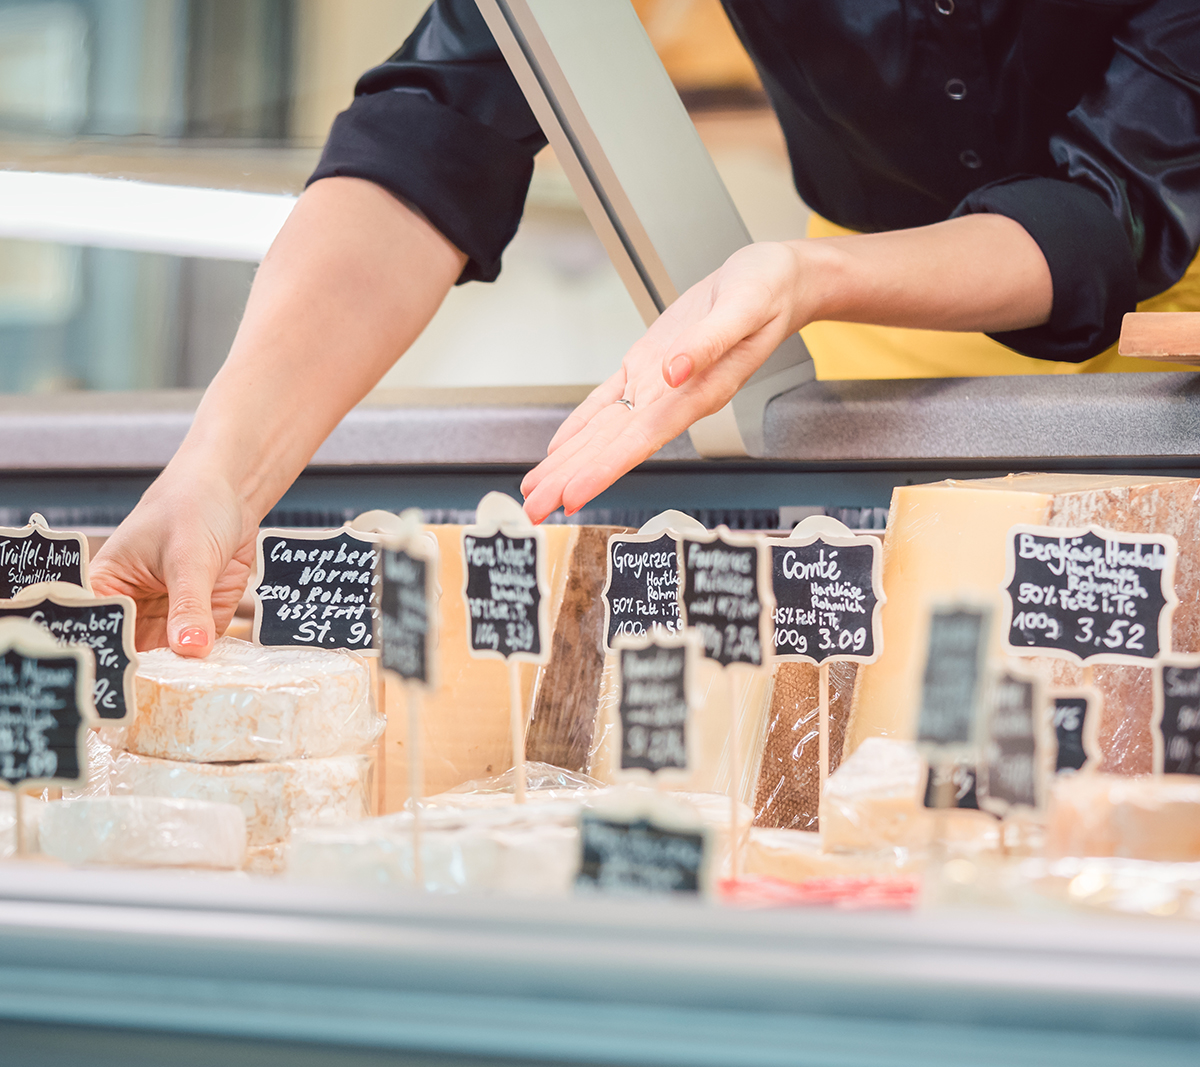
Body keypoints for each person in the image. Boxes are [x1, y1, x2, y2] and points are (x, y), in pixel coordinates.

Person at [91, 0, 1200, 655]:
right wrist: (221, 467)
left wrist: (808, 277)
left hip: (1175, 354)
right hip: (879, 370)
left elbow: (1116, 210)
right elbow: (435, 128)